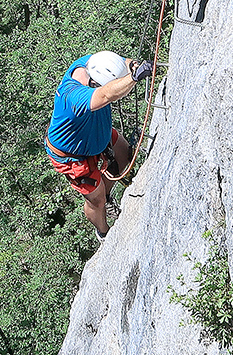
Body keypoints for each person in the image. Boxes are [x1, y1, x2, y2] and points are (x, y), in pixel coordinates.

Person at [46, 50, 154, 238]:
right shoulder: (72, 96)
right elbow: (105, 95)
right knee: (96, 201)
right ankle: (103, 232)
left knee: (124, 157)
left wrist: (132, 66)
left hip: (96, 133)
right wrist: (134, 78)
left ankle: (106, 195)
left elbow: (120, 62)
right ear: (95, 83)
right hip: (72, 155)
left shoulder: (91, 64)